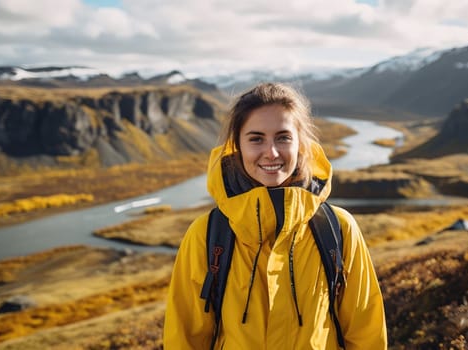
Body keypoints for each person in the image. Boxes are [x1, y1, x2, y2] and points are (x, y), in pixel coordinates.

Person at [163, 82, 387, 349]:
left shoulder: (338, 229)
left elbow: (366, 334)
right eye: (256, 138)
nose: (271, 153)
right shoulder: (206, 235)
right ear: (237, 146)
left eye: (283, 137)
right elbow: (185, 339)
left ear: (301, 143)